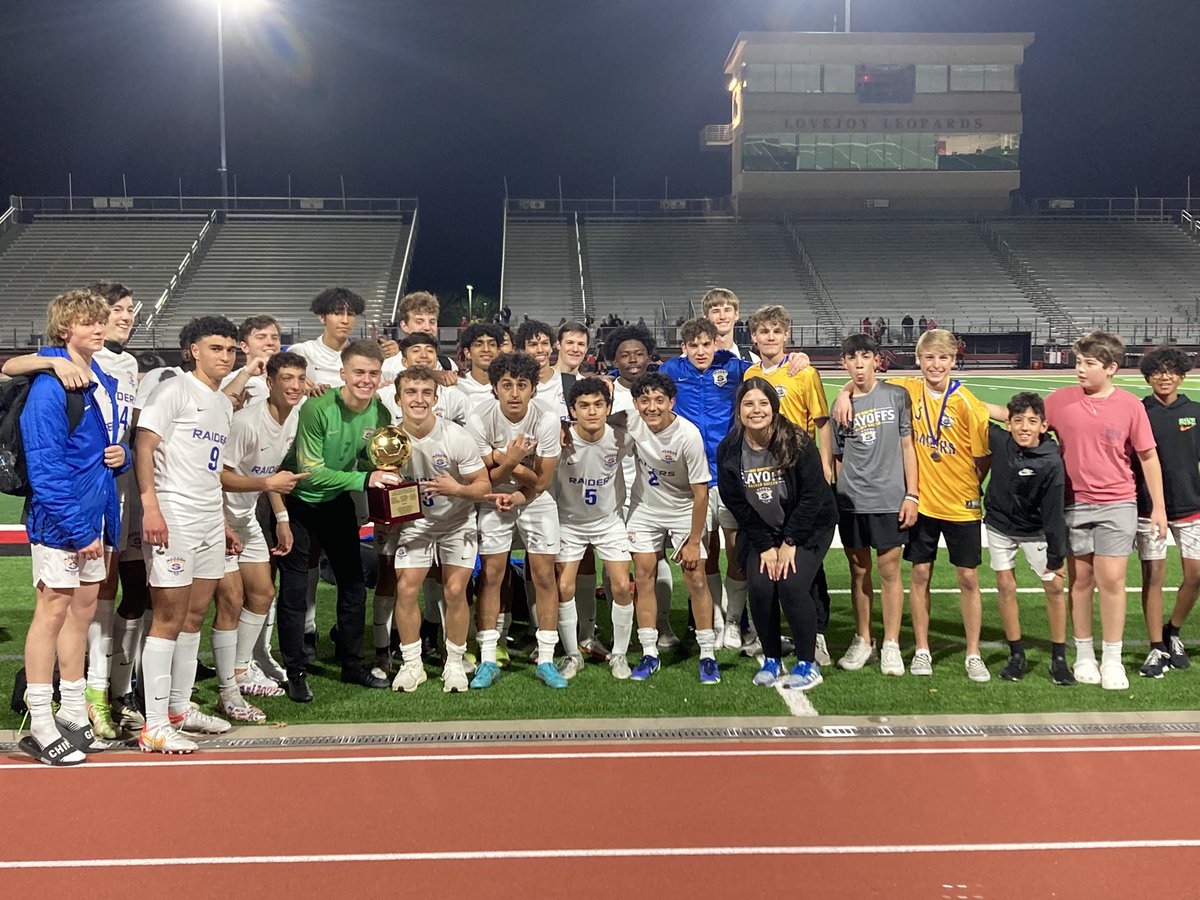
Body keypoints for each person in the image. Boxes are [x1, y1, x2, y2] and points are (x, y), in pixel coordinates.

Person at [3, 280, 138, 741]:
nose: (99, 328)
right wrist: (80, 531)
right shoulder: (50, 384)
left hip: (94, 517)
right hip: (62, 522)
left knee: (82, 612)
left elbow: (106, 446)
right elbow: (46, 468)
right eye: (87, 322)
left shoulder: (104, 379)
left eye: (101, 320)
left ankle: (74, 711)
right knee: (53, 612)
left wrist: (123, 455)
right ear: (64, 330)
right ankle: (42, 721)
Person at [833, 328, 992, 681]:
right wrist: (844, 393)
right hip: (901, 503)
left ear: (954, 360)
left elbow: (982, 457)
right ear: (918, 360)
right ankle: (906, 647)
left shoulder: (953, 401)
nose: (935, 364)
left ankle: (965, 652)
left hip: (945, 502)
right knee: (908, 573)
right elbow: (861, 382)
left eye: (943, 358)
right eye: (929, 357)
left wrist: (959, 486)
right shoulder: (907, 388)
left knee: (962, 576)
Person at [136, 316, 240, 753]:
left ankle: (179, 708)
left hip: (208, 515)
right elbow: (144, 446)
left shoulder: (222, 404)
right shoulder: (173, 390)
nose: (225, 356)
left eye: (231, 350)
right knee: (168, 618)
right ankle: (155, 724)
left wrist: (223, 520)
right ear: (194, 351)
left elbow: (210, 468)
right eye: (216, 348)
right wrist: (150, 506)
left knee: (195, 614)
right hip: (174, 512)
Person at [275, 339, 397, 702]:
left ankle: (352, 663)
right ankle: (295, 671)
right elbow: (310, 473)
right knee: (295, 589)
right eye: (358, 372)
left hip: (337, 501)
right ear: (343, 373)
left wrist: (389, 474)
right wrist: (366, 479)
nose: (366, 380)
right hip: (298, 501)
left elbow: (369, 460)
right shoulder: (317, 408)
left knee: (354, 584)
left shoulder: (380, 414)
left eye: (373, 373)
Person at [717, 377, 836, 689]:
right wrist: (766, 545)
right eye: (748, 404)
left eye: (763, 403)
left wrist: (790, 541)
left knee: (791, 583)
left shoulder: (796, 441)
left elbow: (812, 495)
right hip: (763, 529)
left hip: (809, 526)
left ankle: (808, 663)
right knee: (760, 584)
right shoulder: (730, 448)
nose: (756, 410)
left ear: (774, 407)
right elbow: (736, 502)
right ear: (739, 409)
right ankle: (772, 658)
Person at [215, 351, 310, 721]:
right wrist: (266, 485)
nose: (294, 386)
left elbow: (272, 473)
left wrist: (282, 517)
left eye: (299, 378)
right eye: (286, 378)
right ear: (269, 383)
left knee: (263, 592)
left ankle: (241, 670)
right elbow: (219, 476)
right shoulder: (246, 423)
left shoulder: (294, 417)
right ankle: (225, 685)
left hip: (247, 517)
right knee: (231, 599)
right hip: (217, 517)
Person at [383, 366, 490, 693]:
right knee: (405, 588)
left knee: (455, 591)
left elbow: (483, 485)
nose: (418, 399)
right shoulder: (388, 441)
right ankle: (412, 664)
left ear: (435, 398)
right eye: (411, 393)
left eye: (425, 393)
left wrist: (456, 489)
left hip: (456, 523)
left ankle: (454, 662)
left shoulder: (455, 436)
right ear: (398, 399)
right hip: (415, 525)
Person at [468, 351, 569, 689]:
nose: (514, 393)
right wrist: (511, 460)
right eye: (507, 384)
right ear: (495, 388)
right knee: (491, 575)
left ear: (533, 389)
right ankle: (487, 658)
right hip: (492, 498)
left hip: (536, 500)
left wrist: (503, 462)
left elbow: (542, 481)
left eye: (522, 385)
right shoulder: (479, 417)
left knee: (544, 575)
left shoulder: (547, 418)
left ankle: (546, 659)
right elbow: (484, 479)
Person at [745, 305, 833, 661]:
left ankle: (818, 632)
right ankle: (773, 632)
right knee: (771, 555)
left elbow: (822, 422)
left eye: (777, 331)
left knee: (808, 561)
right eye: (764, 332)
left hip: (800, 472)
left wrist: (825, 467)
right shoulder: (751, 373)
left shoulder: (803, 372)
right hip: (766, 476)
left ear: (787, 335)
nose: (770, 337)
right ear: (754, 337)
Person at [621, 372, 718, 683]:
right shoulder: (629, 421)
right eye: (645, 400)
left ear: (671, 402)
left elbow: (701, 493)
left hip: (684, 509)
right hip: (645, 508)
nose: (652, 407)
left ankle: (707, 654)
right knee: (644, 576)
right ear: (635, 403)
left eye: (659, 400)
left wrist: (694, 541)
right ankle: (649, 652)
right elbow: (596, 419)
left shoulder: (688, 435)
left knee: (696, 578)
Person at [833, 334, 918, 676]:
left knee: (890, 571)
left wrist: (912, 494)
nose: (859, 364)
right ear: (844, 363)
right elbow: (839, 456)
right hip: (853, 501)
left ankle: (892, 643)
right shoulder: (840, 405)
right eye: (852, 358)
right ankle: (863, 639)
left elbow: (908, 446)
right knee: (859, 572)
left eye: (865, 357)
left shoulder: (896, 396)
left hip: (888, 498)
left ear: (876, 360)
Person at [983, 392, 1070, 684]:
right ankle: (1016, 654)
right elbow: (973, 408)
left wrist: (1057, 554)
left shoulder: (1051, 461)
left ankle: (1059, 658)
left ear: (1043, 426)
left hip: (1036, 531)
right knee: (1005, 585)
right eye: (1018, 420)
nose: (1024, 427)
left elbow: (1054, 511)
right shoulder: (1000, 440)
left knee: (1054, 587)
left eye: (1032, 422)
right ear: (1008, 423)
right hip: (999, 526)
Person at [555, 377, 636, 678]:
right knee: (564, 587)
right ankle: (573, 654)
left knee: (622, 586)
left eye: (599, 405)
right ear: (572, 411)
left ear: (608, 408)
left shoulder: (621, 437)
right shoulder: (561, 439)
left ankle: (620, 655)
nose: (592, 411)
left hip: (609, 522)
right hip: (569, 523)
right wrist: (558, 426)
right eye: (584, 405)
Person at [1135, 346, 1200, 675]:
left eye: (1172, 371)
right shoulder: (1138, 411)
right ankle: (1156, 647)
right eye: (1158, 371)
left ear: (1182, 376)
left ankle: (1172, 630)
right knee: (1153, 578)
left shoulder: (1195, 411)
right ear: (1148, 377)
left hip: (1191, 505)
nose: (1164, 377)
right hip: (1148, 509)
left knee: (1196, 575)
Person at [516, 319, 570, 420]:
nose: (540, 350)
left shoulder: (570, 382)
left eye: (545, 343)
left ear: (551, 347)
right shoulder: (515, 387)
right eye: (533, 345)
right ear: (522, 350)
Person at [455, 322, 505, 411]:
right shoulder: (457, 386)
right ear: (467, 352)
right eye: (479, 344)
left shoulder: (508, 386)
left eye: (492, 344)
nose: (486, 349)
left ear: (498, 351)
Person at [702, 287, 756, 360]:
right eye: (716, 311)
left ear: (736, 315)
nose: (722, 317)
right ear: (706, 318)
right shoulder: (694, 360)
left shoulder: (753, 360)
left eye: (727, 310)